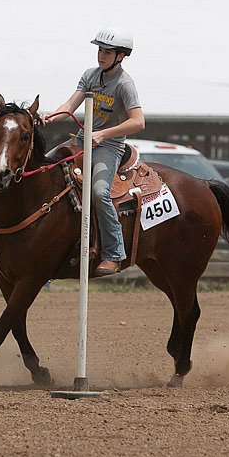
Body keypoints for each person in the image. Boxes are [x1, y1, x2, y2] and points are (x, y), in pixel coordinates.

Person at [44, 26, 145, 276]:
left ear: (120, 55)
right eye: (100, 49)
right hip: (81, 140)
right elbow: (70, 104)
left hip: (109, 146)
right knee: (45, 171)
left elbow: (138, 121)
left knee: (99, 193)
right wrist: (49, 117)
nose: (101, 55)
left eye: (107, 52)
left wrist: (103, 134)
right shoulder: (90, 75)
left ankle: (113, 253)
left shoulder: (124, 83)